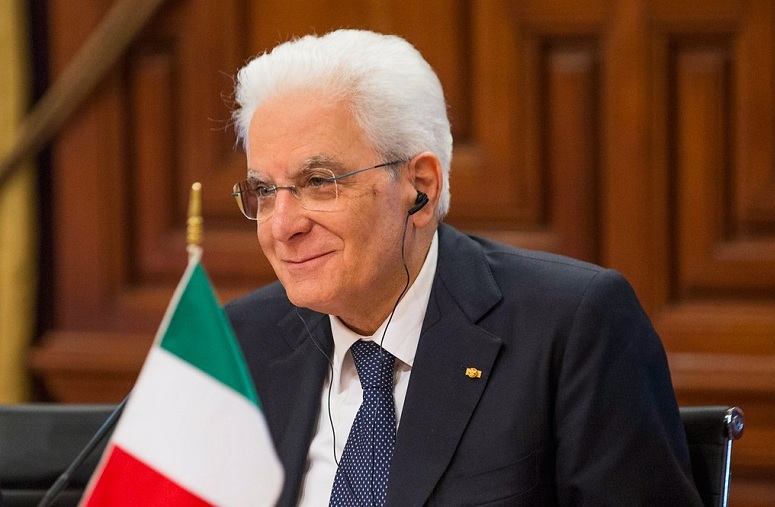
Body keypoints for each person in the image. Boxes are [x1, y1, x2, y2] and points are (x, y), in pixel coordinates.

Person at [224, 29, 701, 506]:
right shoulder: (242, 341)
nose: (281, 226)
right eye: (264, 191)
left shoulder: (571, 327)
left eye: (318, 182)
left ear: (421, 187)